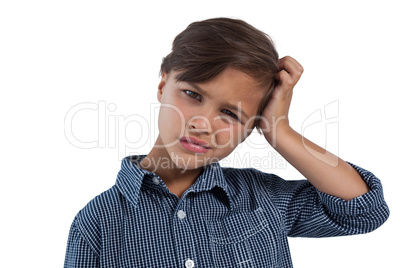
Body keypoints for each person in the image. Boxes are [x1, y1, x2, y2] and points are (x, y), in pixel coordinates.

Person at [64, 17, 389, 267]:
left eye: (231, 114)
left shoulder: (262, 198)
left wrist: (281, 131)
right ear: (163, 85)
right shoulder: (98, 223)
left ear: (252, 126)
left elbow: (363, 211)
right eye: (192, 94)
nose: (202, 124)